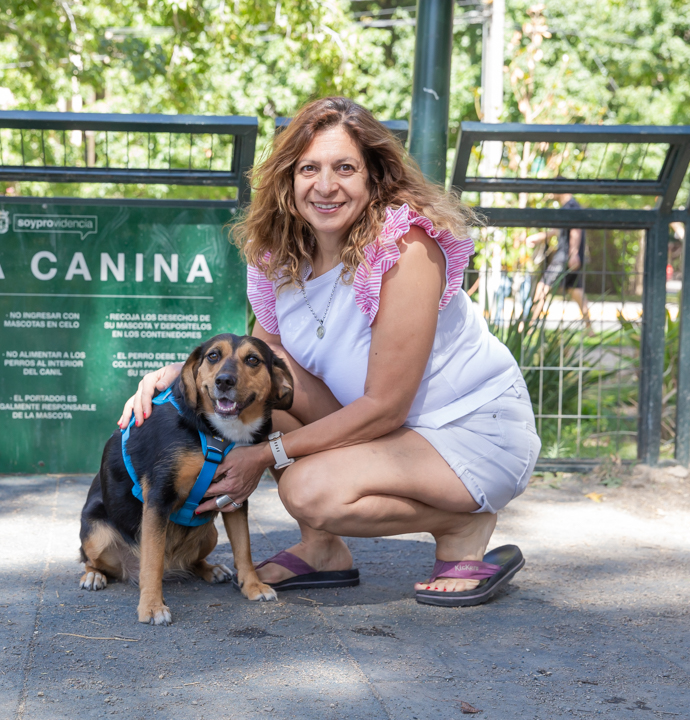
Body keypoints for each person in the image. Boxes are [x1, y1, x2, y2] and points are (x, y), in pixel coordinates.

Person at [118, 97, 540, 606]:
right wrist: (179, 371)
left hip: (467, 429)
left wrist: (265, 455)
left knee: (309, 491)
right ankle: (323, 550)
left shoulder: (404, 250)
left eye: (345, 168)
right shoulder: (280, 256)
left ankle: (461, 525)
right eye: (309, 169)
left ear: (374, 177)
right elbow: (262, 359)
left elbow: (387, 405)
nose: (325, 185)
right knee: (266, 387)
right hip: (389, 432)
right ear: (288, 179)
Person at [526, 192, 593, 334]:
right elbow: (558, 231)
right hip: (569, 256)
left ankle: (529, 326)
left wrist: (573, 253)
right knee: (576, 291)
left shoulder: (571, 207)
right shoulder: (569, 206)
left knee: (542, 287)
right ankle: (590, 328)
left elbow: (576, 229)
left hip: (565, 256)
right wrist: (538, 238)